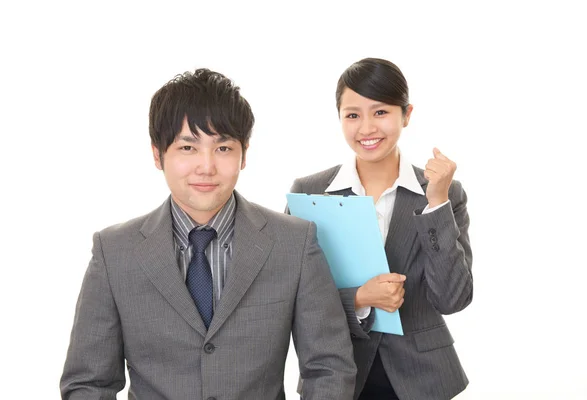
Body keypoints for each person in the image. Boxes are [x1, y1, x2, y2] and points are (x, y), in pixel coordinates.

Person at [60, 68, 356, 400]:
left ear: (243, 153)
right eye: (187, 148)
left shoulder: (294, 243)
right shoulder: (114, 252)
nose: (206, 166)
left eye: (223, 148)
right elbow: (88, 384)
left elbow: (329, 369)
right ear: (158, 154)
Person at [288, 58, 473, 400]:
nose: (366, 128)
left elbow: (453, 299)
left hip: (423, 380)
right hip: (334, 373)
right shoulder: (308, 194)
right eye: (353, 115)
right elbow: (289, 296)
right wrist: (358, 299)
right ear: (340, 118)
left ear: (406, 114)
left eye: (381, 112)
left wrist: (436, 204)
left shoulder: (445, 192)